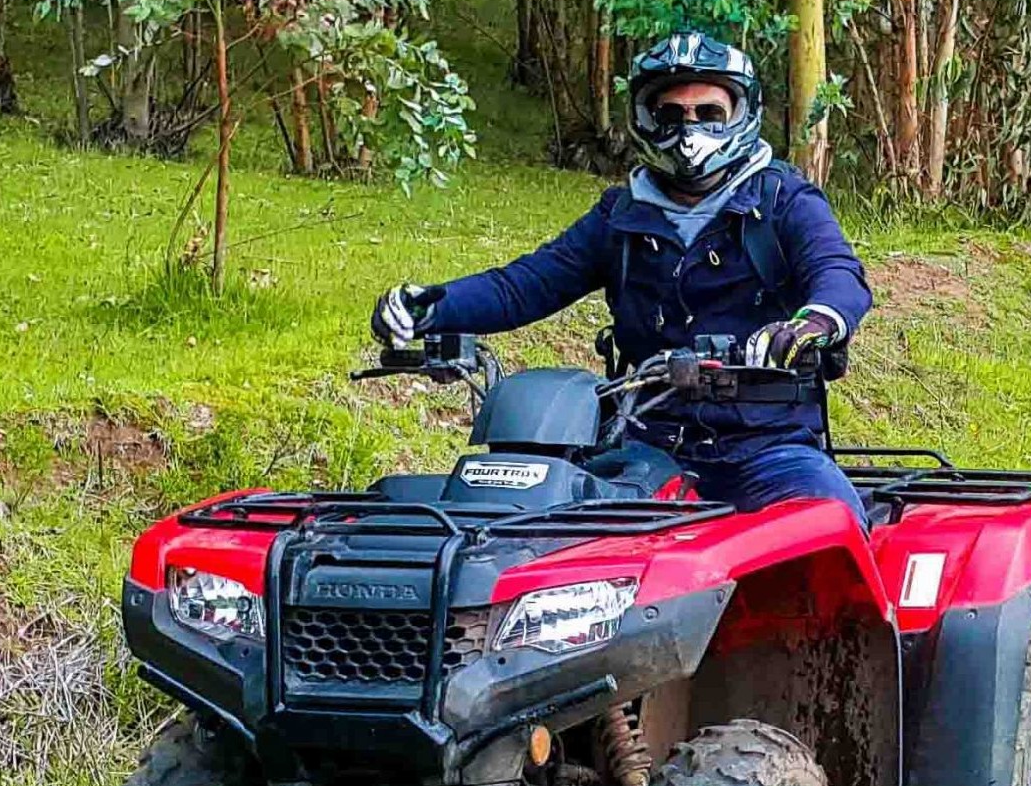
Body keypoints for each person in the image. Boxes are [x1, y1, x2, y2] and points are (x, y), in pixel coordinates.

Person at [373, 30, 873, 523]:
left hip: (769, 448)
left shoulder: (783, 200)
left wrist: (812, 324)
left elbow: (838, 273)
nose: (689, 128)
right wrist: (434, 307)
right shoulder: (621, 214)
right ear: (645, 119)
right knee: (550, 532)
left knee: (832, 524)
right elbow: (526, 284)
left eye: (708, 114)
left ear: (740, 116)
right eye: (671, 114)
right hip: (645, 443)